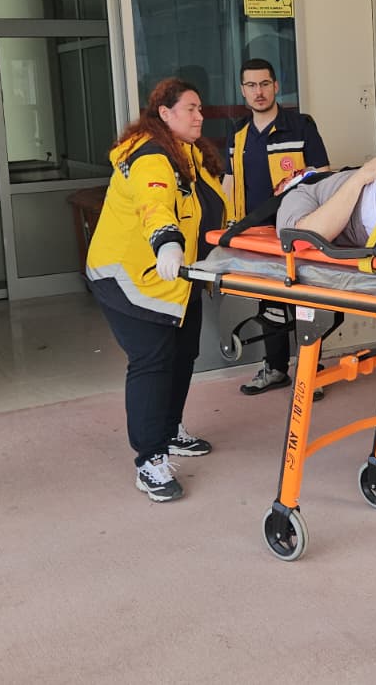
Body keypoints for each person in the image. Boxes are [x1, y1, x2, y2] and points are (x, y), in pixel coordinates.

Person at [86, 78, 232, 502]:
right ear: (165, 113)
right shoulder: (151, 155)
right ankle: (150, 460)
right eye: (190, 109)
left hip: (177, 277)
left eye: (201, 108)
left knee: (183, 354)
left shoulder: (189, 153)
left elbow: (211, 206)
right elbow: (155, 203)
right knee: (152, 361)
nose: (200, 116)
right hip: (130, 277)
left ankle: (169, 430)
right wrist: (167, 241)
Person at [228, 58, 330, 396]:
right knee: (269, 303)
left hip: (297, 232)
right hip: (257, 234)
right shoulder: (239, 134)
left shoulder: (300, 126)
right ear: (243, 91)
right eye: (251, 85)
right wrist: (229, 227)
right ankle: (275, 368)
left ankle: (310, 371)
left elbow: (323, 174)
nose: (258, 92)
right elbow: (230, 181)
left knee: (304, 300)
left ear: (276, 86)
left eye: (264, 84)